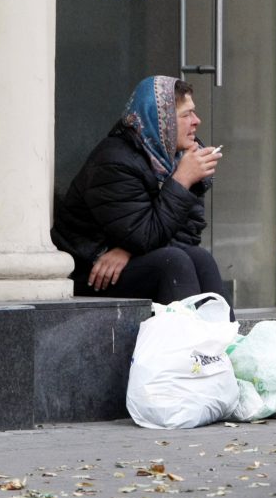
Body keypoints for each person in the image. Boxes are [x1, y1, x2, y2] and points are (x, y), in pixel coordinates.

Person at [52, 75, 232, 320]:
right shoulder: (115, 161)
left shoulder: (180, 158)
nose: (196, 121)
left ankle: (221, 348)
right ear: (162, 120)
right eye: (186, 115)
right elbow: (143, 235)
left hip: (130, 258)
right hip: (93, 272)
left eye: (194, 113)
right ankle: (185, 353)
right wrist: (181, 182)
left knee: (200, 258)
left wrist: (126, 251)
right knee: (173, 261)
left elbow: (189, 235)